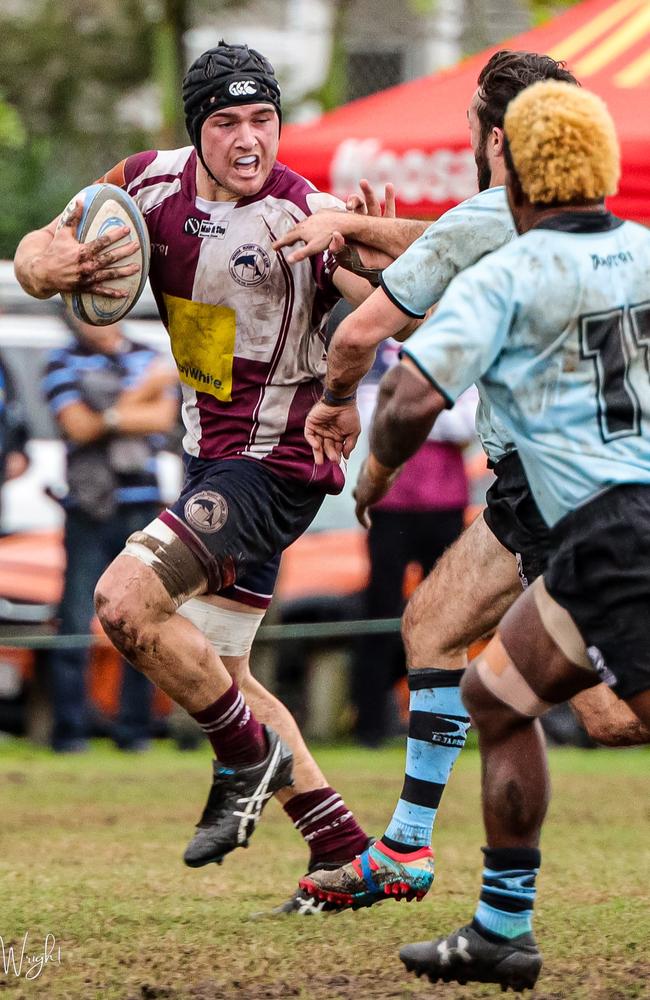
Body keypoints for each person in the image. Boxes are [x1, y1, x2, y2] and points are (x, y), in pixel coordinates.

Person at [275, 50, 649, 912]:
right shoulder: (598, 229)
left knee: (602, 712)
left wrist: (342, 418)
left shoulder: (489, 219)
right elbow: (457, 234)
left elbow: (371, 337)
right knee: (435, 629)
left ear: (492, 135)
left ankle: (494, 915)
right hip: (541, 487)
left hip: (556, 490)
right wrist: (362, 231)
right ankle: (409, 849)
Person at [14, 41, 373, 909]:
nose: (249, 140)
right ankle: (345, 856)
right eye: (227, 122)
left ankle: (246, 763)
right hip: (211, 460)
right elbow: (40, 248)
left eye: (264, 120)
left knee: (123, 603)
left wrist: (358, 338)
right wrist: (44, 264)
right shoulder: (143, 183)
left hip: (276, 468)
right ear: (195, 131)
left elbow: (391, 305)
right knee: (223, 674)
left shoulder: (305, 216)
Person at [42, 312, 178, 752]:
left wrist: (108, 413)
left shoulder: (148, 353)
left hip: (142, 505)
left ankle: (134, 731)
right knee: (76, 619)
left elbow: (162, 419)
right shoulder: (61, 360)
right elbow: (76, 426)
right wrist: (139, 397)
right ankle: (71, 732)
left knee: (142, 619)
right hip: (88, 508)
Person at [354, 332, 477, 746]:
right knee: (379, 615)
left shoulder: (462, 337)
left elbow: (466, 424)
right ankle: (370, 724)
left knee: (451, 616)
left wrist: (408, 407)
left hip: (445, 504)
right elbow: (375, 417)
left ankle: (444, 721)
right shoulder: (382, 343)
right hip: (390, 505)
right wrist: (433, 404)